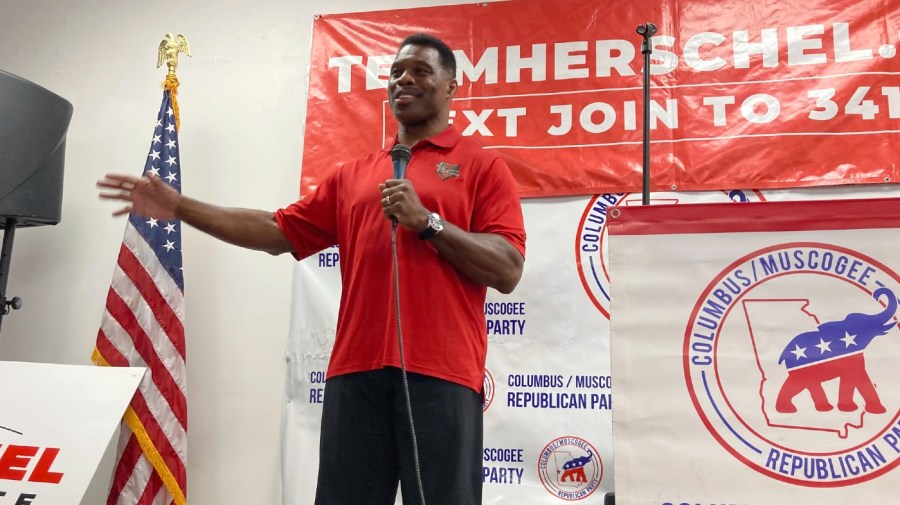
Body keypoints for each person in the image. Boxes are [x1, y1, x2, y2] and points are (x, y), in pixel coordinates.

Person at [98, 33, 526, 505]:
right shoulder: (355, 174)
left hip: (441, 376)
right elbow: (276, 231)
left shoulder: (483, 167)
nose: (405, 80)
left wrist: (429, 223)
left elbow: (507, 269)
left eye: (422, 71)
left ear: (452, 87)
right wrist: (180, 206)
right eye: (397, 72)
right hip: (355, 376)